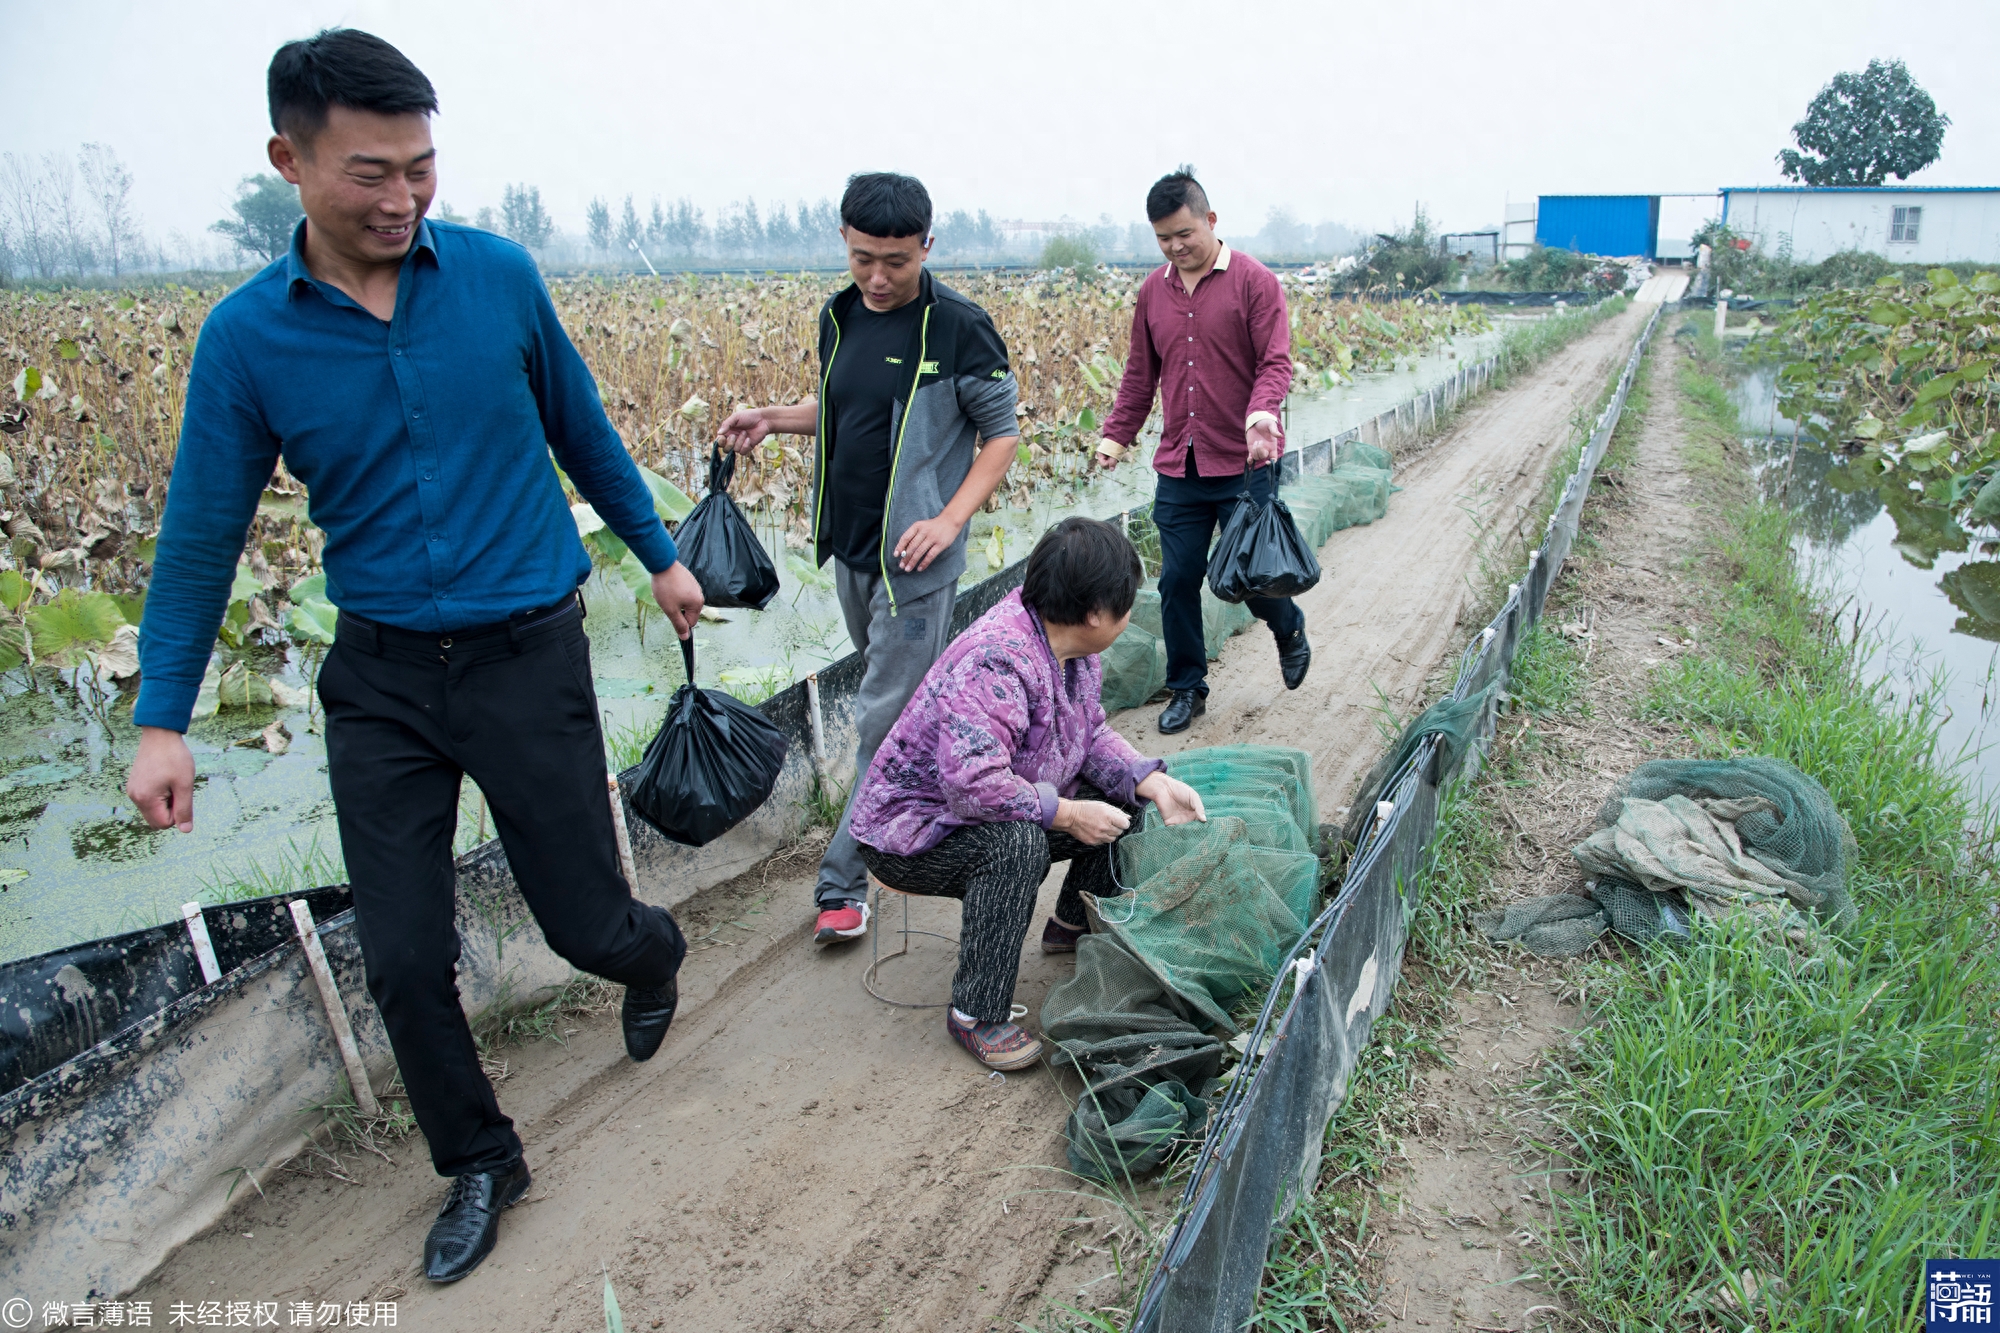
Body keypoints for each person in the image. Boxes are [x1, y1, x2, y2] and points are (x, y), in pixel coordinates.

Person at [121, 30, 703, 1285]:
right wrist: (160, 718)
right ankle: (481, 1158)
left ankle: (650, 951)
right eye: (368, 173)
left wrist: (659, 554)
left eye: (421, 170)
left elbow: (582, 430)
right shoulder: (246, 341)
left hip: (525, 655)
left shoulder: (496, 278)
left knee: (582, 919)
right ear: (289, 160)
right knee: (396, 954)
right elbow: (200, 534)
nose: (399, 200)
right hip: (379, 678)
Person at [715, 175, 1020, 949]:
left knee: (879, 717)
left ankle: (843, 883)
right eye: (861, 259)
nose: (878, 278)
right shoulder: (840, 315)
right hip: (851, 550)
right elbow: (844, 408)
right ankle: (955, 779)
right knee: (901, 704)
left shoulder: (958, 328)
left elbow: (1002, 436)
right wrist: (772, 418)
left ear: (927, 246)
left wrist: (951, 520)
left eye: (895, 262)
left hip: (916, 565)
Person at [848, 518, 1206, 1070]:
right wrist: (1064, 812)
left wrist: (1148, 778)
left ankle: (1070, 924)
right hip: (912, 832)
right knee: (1018, 846)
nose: (1130, 614)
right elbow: (972, 786)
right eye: (1126, 603)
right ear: (1093, 613)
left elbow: (1089, 736)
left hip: (983, 804)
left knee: (1120, 799)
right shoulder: (998, 658)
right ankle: (976, 1012)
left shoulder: (1071, 647)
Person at [1096, 167, 1311, 735]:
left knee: (1253, 578)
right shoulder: (1152, 293)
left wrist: (1262, 413)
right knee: (1176, 581)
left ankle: (1286, 625)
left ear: (1211, 221)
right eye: (1163, 237)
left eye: (1184, 233)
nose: (1175, 246)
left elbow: (1275, 362)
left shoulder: (1254, 282)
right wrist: (1117, 435)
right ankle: (1188, 687)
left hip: (1246, 462)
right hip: (1181, 464)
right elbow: (1140, 376)